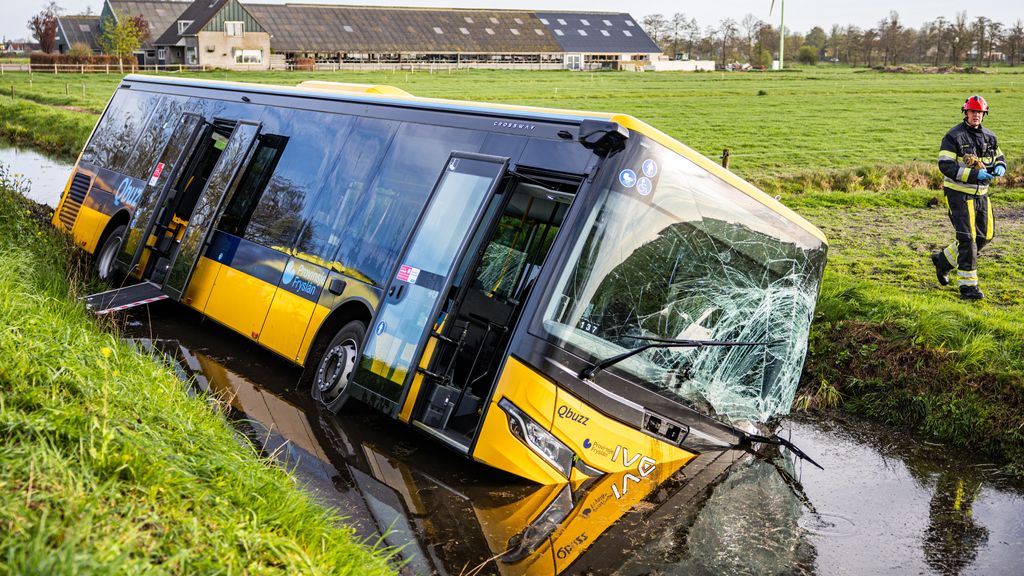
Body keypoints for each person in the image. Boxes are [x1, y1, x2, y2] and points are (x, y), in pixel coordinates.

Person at [931, 95, 1008, 300]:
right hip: (958, 194)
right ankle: (968, 287)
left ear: (984, 115)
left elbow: (999, 156)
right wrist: (975, 174)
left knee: (985, 236)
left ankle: (943, 261)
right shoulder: (953, 136)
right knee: (968, 239)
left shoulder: (990, 137)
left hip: (982, 195)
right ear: (966, 113)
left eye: (980, 112)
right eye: (973, 112)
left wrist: (1001, 166)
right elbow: (945, 165)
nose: (976, 115)